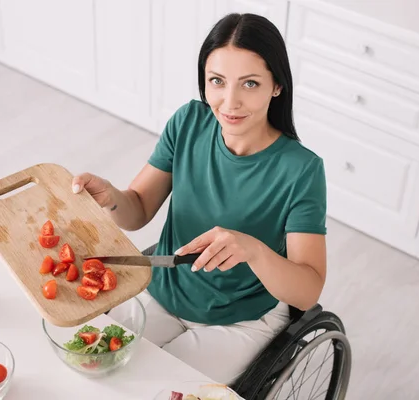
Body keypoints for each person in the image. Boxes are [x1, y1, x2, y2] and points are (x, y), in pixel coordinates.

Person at [71, 12, 327, 385]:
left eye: (250, 84)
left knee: (151, 388)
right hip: (163, 291)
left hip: (241, 319)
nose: (230, 101)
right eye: (217, 82)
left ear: (276, 86)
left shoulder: (301, 170)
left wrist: (252, 250)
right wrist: (111, 198)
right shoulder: (189, 121)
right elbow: (138, 208)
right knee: (96, 367)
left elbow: (307, 292)